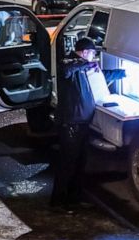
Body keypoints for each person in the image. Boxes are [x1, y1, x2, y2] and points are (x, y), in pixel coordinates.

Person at [50, 36, 125, 211]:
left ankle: (74, 199)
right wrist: (84, 63)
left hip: (83, 122)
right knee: (67, 163)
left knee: (79, 163)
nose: (94, 57)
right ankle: (58, 202)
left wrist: (122, 73)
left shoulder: (85, 67)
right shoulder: (69, 63)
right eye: (92, 53)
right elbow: (66, 71)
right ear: (85, 52)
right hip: (70, 123)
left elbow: (102, 76)